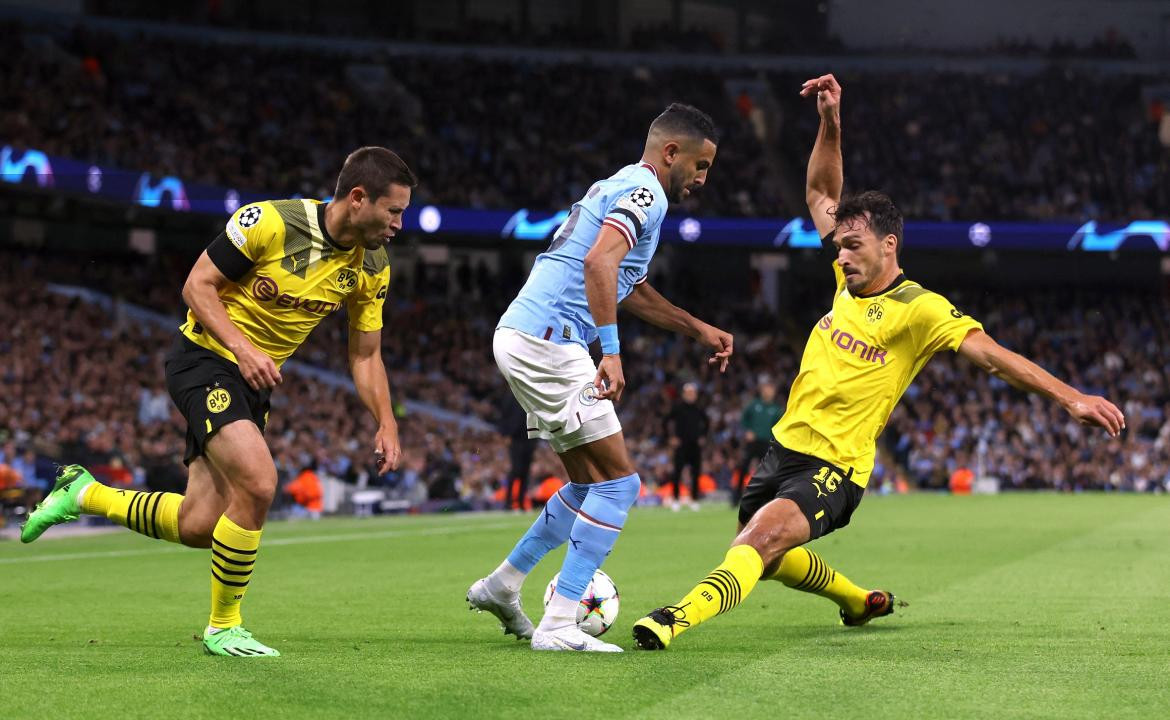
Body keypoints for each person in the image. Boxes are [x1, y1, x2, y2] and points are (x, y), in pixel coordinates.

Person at [632, 74, 1126, 650]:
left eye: (854, 246)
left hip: (837, 467)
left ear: (890, 244)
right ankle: (856, 600)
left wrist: (1073, 398)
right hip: (784, 448)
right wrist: (831, 122)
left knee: (756, 543)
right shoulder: (844, 281)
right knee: (764, 554)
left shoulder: (919, 309)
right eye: (838, 246)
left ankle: (673, 620)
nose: (840, 256)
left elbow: (992, 356)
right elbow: (820, 194)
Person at [21, 147, 415, 658]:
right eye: (394, 210)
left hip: (254, 381)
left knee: (199, 525)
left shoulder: (373, 266)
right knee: (259, 482)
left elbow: (366, 356)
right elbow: (196, 286)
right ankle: (223, 626)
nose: (399, 224)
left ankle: (83, 494)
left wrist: (386, 421)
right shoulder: (270, 222)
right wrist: (244, 348)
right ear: (358, 198)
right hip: (204, 359)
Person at [467, 103, 734, 653]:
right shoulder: (648, 193)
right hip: (551, 340)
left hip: (527, 334)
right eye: (701, 166)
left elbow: (625, 284)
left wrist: (696, 328)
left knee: (590, 484)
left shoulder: (622, 185)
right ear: (671, 153)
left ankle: (502, 585)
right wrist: (609, 353)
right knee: (620, 484)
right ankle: (561, 622)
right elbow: (598, 266)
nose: (703, 179)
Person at [734, 377, 782, 506]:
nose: (768, 392)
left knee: (769, 472)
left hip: (766, 444)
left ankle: (768, 499)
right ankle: (735, 498)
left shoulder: (776, 409)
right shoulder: (754, 405)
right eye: (766, 389)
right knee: (743, 468)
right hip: (752, 443)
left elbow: (779, 427)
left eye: (770, 389)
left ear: (774, 392)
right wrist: (748, 430)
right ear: (762, 390)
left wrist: (773, 439)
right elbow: (744, 419)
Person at [667, 382, 708, 511]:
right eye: (689, 393)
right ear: (684, 394)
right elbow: (665, 421)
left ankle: (694, 499)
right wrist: (671, 437)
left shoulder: (698, 408)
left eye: (693, 393)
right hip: (681, 445)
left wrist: (703, 436)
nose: (691, 395)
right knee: (677, 472)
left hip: (695, 445)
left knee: (696, 473)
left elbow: (707, 423)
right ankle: (676, 499)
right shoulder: (677, 408)